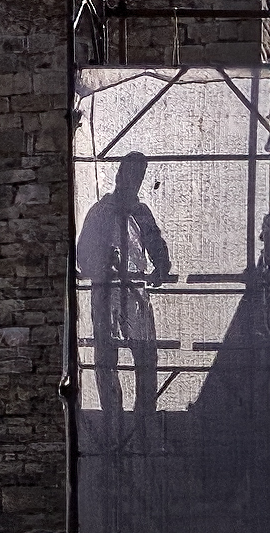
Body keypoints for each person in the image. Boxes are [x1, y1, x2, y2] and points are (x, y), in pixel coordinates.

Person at [77, 151, 171, 429]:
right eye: (128, 174)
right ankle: (113, 418)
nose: (132, 181)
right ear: (119, 175)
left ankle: (143, 417)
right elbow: (84, 254)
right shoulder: (100, 212)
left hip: (135, 295)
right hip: (106, 294)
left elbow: (155, 243)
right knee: (107, 356)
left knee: (144, 355)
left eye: (138, 176)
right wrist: (104, 265)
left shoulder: (141, 213)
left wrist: (161, 268)